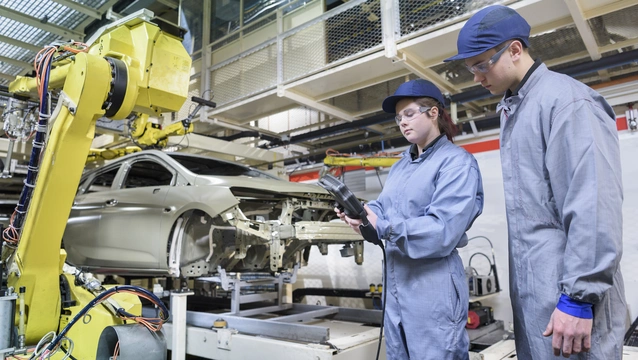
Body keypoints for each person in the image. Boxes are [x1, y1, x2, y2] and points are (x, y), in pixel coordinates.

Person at [445, 5, 627, 359]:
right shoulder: (518, 109)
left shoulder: (567, 103)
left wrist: (578, 298)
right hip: (539, 305)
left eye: (482, 64)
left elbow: (593, 203)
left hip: (573, 307)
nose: (476, 77)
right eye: (471, 68)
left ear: (515, 50)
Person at [336, 79, 484, 359]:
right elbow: (385, 206)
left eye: (409, 114)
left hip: (433, 290)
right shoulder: (402, 165)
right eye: (398, 117)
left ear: (433, 113)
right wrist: (362, 214)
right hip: (395, 289)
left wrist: (385, 227)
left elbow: (443, 229)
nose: (402, 122)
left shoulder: (456, 163)